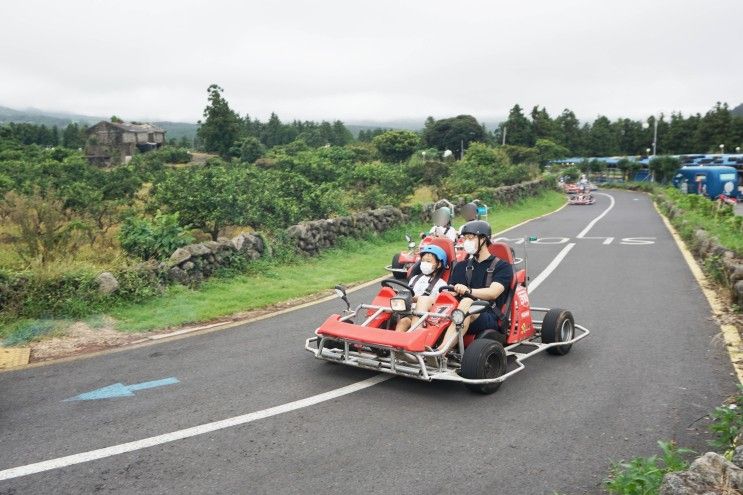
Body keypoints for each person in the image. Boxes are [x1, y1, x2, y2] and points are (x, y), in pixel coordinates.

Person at [437, 220, 513, 351]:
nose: (466, 241)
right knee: (426, 299)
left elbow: (493, 293)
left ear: (483, 239)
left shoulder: (502, 267)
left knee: (466, 301)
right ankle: (411, 345)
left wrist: (468, 291)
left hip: (487, 314)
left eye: (470, 238)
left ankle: (441, 351)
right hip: (458, 313)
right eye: (464, 238)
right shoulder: (461, 266)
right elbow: (451, 292)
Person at [395, 245, 448, 332]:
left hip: (427, 317)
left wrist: (417, 298)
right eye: (423, 260)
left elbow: (439, 304)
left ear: (438, 264)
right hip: (408, 312)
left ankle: (413, 337)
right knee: (403, 322)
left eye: (428, 261)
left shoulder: (441, 284)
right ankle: (391, 342)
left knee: (405, 320)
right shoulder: (414, 278)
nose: (424, 263)